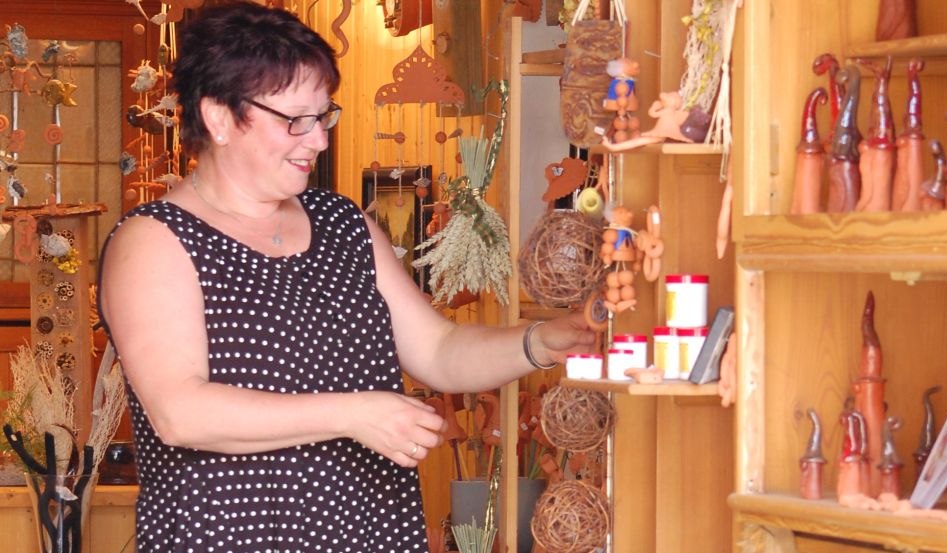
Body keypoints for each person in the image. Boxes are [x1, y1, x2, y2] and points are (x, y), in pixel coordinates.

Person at [97, 3, 596, 552]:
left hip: (368, 531)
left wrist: (541, 342)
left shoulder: (342, 224)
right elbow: (180, 413)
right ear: (219, 117)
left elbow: (440, 349)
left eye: (323, 116)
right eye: (295, 120)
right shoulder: (154, 241)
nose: (318, 141)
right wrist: (353, 413)